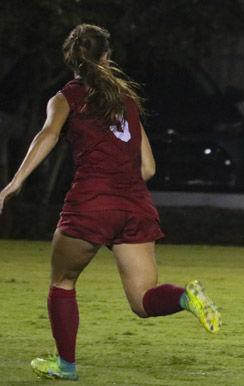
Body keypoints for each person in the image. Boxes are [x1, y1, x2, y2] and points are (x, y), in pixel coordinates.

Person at [0, 24, 223, 381]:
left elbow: (49, 134)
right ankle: (185, 297)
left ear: (71, 60)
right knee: (143, 300)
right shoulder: (127, 101)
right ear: (107, 56)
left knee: (63, 282)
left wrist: (14, 183)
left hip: (92, 202)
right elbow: (148, 168)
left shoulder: (66, 97)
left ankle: (66, 366)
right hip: (135, 205)